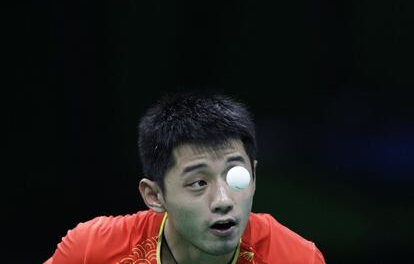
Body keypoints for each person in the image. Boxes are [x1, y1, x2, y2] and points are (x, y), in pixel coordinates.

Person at [45, 91, 326, 264]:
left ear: (253, 175)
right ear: (154, 196)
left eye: (235, 176)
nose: (223, 201)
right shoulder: (92, 251)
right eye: (199, 183)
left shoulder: (296, 258)